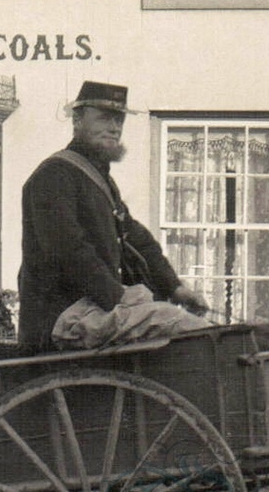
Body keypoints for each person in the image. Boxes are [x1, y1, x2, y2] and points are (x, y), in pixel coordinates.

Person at [18, 80, 211, 352]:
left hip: (93, 310)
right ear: (77, 120)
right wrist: (119, 295)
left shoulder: (100, 181)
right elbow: (68, 250)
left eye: (119, 120)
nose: (114, 127)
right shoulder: (54, 176)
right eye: (104, 118)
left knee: (185, 323)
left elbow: (137, 240)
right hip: (61, 317)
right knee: (179, 323)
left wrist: (175, 288)